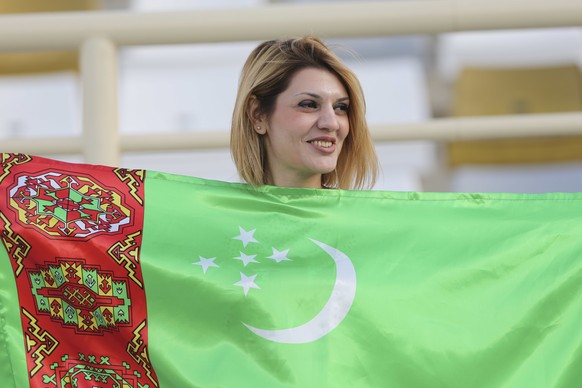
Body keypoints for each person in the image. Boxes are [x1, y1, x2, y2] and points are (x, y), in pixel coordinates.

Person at [230, 36, 379, 190]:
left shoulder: (368, 213)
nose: (331, 123)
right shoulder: (223, 212)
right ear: (257, 115)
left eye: (340, 107)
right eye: (309, 104)